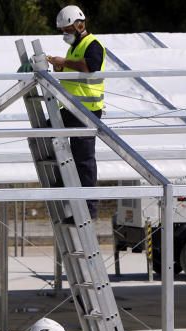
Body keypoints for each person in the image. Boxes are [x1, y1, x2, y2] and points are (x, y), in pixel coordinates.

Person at [46, 5, 106, 220]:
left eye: (68, 30)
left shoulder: (92, 45)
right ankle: (64, 177)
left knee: (84, 160)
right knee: (45, 131)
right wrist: (60, 67)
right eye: (63, 31)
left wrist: (65, 62)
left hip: (87, 111)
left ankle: (89, 210)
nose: (65, 34)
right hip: (73, 108)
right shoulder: (74, 48)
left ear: (80, 25)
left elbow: (91, 66)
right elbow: (74, 71)